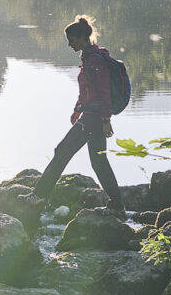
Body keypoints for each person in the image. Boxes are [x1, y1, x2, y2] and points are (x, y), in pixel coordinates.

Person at [33, 15, 127, 217]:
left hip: (94, 118)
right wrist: (77, 109)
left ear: (83, 37)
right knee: (99, 161)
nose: (69, 45)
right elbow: (86, 90)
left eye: (72, 40)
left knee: (62, 152)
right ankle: (118, 205)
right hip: (91, 114)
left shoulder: (94, 59)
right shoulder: (90, 57)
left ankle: (38, 197)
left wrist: (105, 120)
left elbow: (102, 91)